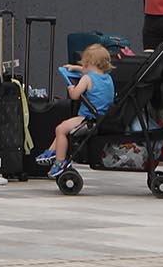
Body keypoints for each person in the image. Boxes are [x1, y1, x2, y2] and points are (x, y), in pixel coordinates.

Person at [36, 43, 116, 176]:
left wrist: (71, 88)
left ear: (89, 62)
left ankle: (59, 161)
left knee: (60, 129)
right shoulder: (108, 78)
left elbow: (75, 96)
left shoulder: (87, 79)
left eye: (84, 64)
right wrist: (75, 68)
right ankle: (50, 152)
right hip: (102, 118)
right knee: (65, 128)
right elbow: (89, 71)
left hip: (87, 118)